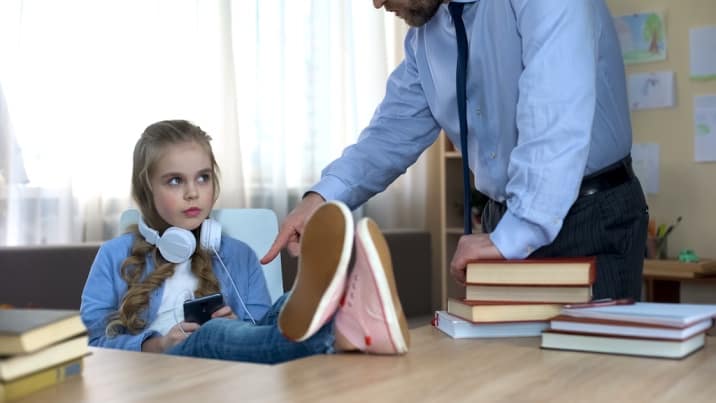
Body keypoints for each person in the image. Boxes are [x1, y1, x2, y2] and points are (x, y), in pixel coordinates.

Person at [261, 0, 648, 300]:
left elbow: (553, 116)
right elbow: (391, 133)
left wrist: (516, 234)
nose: (376, 3)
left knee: (591, 382)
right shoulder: (425, 40)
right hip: (504, 220)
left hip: (592, 220)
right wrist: (322, 197)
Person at [80, 119, 409, 364]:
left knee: (282, 310)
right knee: (211, 333)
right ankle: (344, 330)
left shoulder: (235, 254)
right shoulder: (114, 255)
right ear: (147, 189)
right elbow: (91, 340)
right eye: (175, 180)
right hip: (169, 367)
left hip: (229, 365)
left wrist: (238, 325)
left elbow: (261, 326)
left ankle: (347, 300)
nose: (193, 191)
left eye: (203, 177)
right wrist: (157, 345)